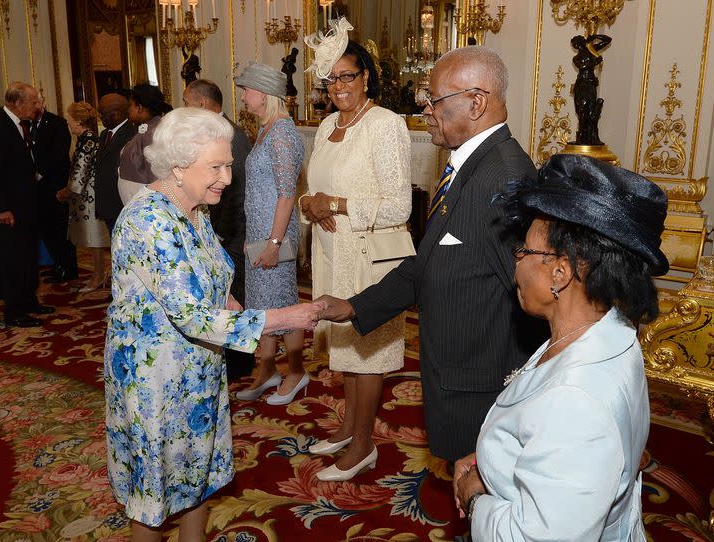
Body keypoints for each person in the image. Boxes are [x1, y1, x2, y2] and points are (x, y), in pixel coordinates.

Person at [316, 46, 545, 464]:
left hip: (480, 383)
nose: (425, 108)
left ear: (476, 102)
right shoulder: (469, 165)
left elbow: (536, 301)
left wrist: (526, 397)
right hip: (457, 372)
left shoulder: (504, 177)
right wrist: (354, 307)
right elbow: (431, 261)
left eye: (434, 99)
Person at [104, 107, 321, 540]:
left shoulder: (194, 209)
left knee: (195, 480)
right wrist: (285, 317)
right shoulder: (149, 220)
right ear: (179, 167)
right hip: (156, 378)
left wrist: (238, 304)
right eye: (216, 167)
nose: (226, 176)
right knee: (154, 491)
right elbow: (191, 315)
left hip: (198, 367)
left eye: (228, 165)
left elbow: (218, 280)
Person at [452, 153, 668, 541]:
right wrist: (491, 460)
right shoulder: (605, 328)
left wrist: (475, 498)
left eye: (524, 251)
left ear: (560, 273)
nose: (516, 263)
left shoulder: (577, 400)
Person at [300, 19, 412, 481]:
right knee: (345, 348)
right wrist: (310, 203)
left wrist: (338, 204)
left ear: (366, 77)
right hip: (332, 253)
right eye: (331, 78)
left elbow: (399, 205)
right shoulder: (326, 124)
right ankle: (349, 427)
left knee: (367, 352)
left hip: (369, 258)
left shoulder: (386, 125)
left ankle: (364, 445)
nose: (339, 85)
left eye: (348, 76)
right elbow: (313, 188)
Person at [232, 62, 307, 405]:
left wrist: (275, 243)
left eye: (246, 90)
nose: (243, 97)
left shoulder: (283, 133)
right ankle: (266, 371)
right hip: (259, 235)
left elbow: (287, 193)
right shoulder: (266, 129)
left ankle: (296, 371)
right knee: (262, 306)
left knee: (284, 306)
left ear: (263, 93)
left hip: (275, 238)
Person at [183, 78, 256, 380]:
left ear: (201, 103)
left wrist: (220, 232)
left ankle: (239, 365)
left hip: (232, 233)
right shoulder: (215, 133)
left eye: (187, 102)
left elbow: (235, 191)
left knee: (234, 294)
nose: (185, 108)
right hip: (221, 231)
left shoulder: (230, 136)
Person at [0, 82, 52, 327]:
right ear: (17, 103)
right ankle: (14, 311)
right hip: (9, 209)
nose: (37, 106)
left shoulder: (19, 125)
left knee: (28, 255)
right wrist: (0, 208)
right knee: (13, 259)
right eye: (33, 102)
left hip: (26, 206)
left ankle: (28, 301)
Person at [56, 102, 111, 292]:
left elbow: (80, 173)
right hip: (87, 196)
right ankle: (99, 273)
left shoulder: (87, 141)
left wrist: (65, 192)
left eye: (69, 119)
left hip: (90, 198)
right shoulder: (86, 139)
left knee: (94, 239)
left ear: (79, 121)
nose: (68, 123)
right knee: (93, 241)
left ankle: (98, 275)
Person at [33, 92, 77, 284]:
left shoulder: (57, 123)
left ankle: (68, 268)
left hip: (55, 185)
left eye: (36, 102)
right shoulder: (27, 124)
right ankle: (57, 264)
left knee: (60, 229)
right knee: (45, 228)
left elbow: (60, 154)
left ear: (42, 103)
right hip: (36, 189)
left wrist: (40, 172)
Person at [118, 83, 173, 204]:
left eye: (130, 105)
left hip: (147, 203)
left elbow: (156, 174)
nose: (128, 110)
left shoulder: (152, 133)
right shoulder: (148, 129)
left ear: (140, 107)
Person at [94, 93, 137, 234]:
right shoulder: (104, 134)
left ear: (117, 113)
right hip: (106, 205)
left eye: (103, 113)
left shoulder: (132, 135)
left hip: (120, 204)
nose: (100, 116)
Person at [571, 34, 612, 145]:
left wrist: (595, 36)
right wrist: (596, 61)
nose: (577, 45)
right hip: (581, 84)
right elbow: (583, 66)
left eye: (577, 43)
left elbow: (608, 40)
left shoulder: (591, 50)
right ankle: (582, 134)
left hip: (590, 84)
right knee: (582, 108)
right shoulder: (576, 58)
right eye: (576, 44)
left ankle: (589, 136)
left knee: (590, 108)